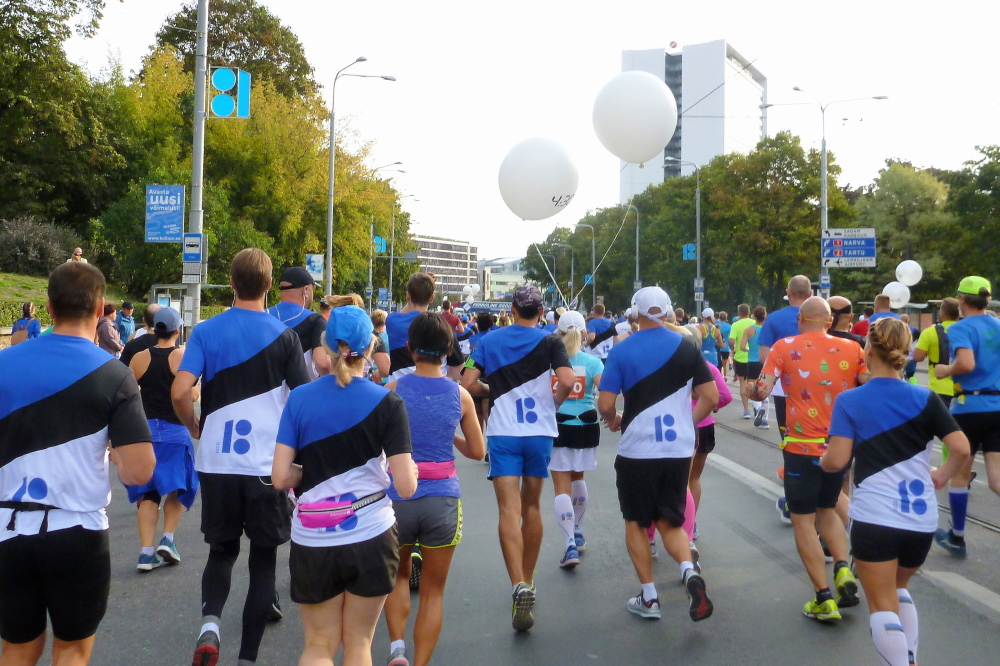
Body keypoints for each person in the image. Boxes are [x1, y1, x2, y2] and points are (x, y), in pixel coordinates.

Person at [0, 262, 154, 666]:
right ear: (100, 308)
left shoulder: (4, 363)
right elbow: (140, 471)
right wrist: (113, 454)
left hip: (7, 528)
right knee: (71, 650)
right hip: (77, 530)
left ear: (49, 308)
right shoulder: (115, 375)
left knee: (17, 648)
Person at [171, 248, 311, 666]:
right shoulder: (286, 337)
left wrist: (194, 426)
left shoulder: (206, 331)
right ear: (269, 286)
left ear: (231, 283)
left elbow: (179, 391)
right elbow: (304, 400)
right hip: (266, 465)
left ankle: (210, 626)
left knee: (221, 551)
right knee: (263, 560)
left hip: (216, 461)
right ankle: (247, 657)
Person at [271, 305, 417, 666]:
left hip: (313, 535)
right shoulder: (388, 402)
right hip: (370, 532)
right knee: (359, 643)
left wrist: (309, 474)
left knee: (319, 644)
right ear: (370, 347)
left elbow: (280, 477)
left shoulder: (300, 398)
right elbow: (406, 486)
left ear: (326, 345)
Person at [820, 318, 971, 666]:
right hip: (920, 519)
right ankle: (910, 658)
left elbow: (837, 460)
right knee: (899, 589)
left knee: (881, 603)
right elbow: (961, 448)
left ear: (869, 350)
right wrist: (940, 476)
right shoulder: (925, 397)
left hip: (876, 517)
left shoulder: (850, 400)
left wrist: (823, 462)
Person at [597, 286, 718, 623]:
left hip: (638, 448)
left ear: (634, 312)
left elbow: (605, 403)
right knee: (670, 519)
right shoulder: (687, 346)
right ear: (667, 312)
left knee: (636, 521)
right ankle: (688, 571)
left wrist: (614, 418)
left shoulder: (623, 349)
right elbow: (711, 396)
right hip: (678, 448)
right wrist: (688, 423)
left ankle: (649, 598)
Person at [461, 285, 575, 632]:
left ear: (511, 310)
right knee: (532, 507)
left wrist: (492, 389)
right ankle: (529, 578)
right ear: (541, 312)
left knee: (508, 510)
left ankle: (517, 585)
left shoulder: (489, 341)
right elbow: (568, 380)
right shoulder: (551, 341)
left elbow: (468, 382)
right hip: (539, 432)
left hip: (503, 432)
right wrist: (553, 403)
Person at [748, 296, 868, 622]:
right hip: (838, 446)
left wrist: (751, 392)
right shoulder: (854, 349)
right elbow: (868, 386)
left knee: (803, 520)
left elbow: (762, 389)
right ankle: (842, 568)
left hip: (800, 447)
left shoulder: (784, 347)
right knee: (827, 509)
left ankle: (824, 598)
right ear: (830, 321)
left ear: (800, 318)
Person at [383, 313, 485, 666]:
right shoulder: (461, 396)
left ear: (410, 348)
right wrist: (452, 437)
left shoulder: (392, 391)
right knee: (433, 592)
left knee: (397, 578)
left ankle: (397, 649)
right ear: (447, 350)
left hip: (397, 497)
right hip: (442, 499)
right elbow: (478, 451)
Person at [126, 307, 199, 571]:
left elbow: (128, 394)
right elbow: (191, 395)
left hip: (146, 432)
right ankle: (168, 538)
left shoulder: (139, 358)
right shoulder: (182, 357)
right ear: (178, 330)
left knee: (149, 492)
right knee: (180, 487)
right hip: (174, 431)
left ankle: (146, 552)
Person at [931, 277, 1000, 557]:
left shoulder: (961, 327)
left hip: (969, 406)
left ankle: (957, 537)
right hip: (998, 405)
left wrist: (945, 370)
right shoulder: (998, 324)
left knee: (960, 474)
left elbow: (966, 363)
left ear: (961, 299)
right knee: (996, 479)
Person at [547, 310, 604, 569]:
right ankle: (578, 531)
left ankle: (570, 543)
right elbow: (606, 390)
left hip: (559, 424)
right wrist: (612, 415)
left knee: (561, 486)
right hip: (587, 426)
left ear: (558, 333)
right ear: (583, 334)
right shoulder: (593, 362)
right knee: (578, 477)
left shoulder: (550, 363)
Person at [756, 276, 812, 439]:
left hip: (784, 387)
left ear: (788, 293)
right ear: (810, 294)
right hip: (817, 385)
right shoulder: (820, 317)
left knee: (788, 436)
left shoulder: (773, 318)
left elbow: (764, 357)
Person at [387, 274, 465, 383]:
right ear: (432, 298)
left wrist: (416, 290)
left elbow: (402, 314)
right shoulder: (443, 327)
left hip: (398, 391)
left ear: (407, 295)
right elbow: (459, 372)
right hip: (436, 389)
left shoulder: (392, 321)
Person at [266, 266, 331, 380]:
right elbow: (322, 364)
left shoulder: (264, 315)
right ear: (305, 290)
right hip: (303, 388)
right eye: (312, 290)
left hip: (269, 388)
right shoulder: (315, 321)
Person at [739, 306, 767, 429]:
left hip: (752, 361)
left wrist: (749, 349)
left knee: (752, 388)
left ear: (754, 316)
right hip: (765, 362)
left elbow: (742, 347)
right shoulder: (768, 330)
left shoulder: (749, 330)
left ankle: (759, 409)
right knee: (765, 388)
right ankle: (765, 421)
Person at [728, 304, 754, 415]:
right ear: (749, 312)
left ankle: (746, 410)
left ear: (739, 313)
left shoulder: (735, 324)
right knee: (754, 383)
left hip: (740, 358)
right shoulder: (755, 323)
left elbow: (731, 340)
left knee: (743, 383)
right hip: (754, 358)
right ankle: (757, 407)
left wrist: (733, 348)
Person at [900, 314, 919, 383]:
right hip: (912, 356)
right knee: (911, 375)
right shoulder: (915, 330)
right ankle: (914, 386)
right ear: (908, 320)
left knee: (900, 375)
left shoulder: (899, 330)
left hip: (901, 356)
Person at [717, 311, 732, 377]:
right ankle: (724, 377)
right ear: (726, 318)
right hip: (726, 347)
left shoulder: (715, 325)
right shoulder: (729, 326)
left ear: (719, 317)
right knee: (724, 365)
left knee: (717, 364)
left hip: (717, 346)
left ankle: (718, 376)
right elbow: (731, 336)